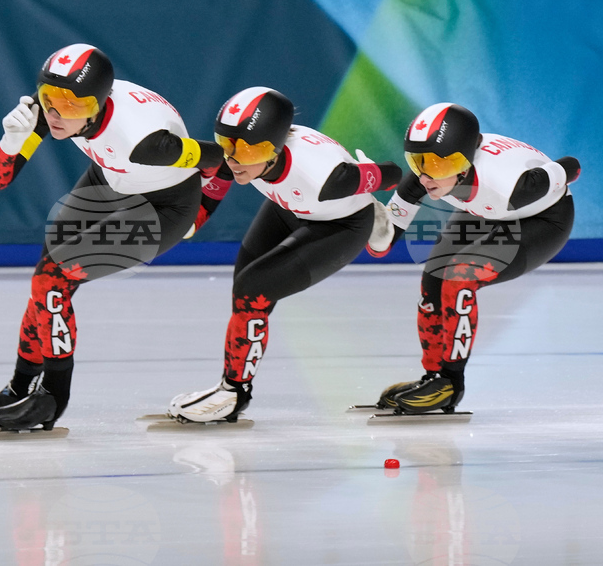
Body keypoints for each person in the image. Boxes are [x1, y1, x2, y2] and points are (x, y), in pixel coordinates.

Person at [0, 43, 227, 431]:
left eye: (71, 107)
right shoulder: (53, 107)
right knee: (46, 281)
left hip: (163, 205)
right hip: (111, 175)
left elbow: (221, 160)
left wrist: (199, 217)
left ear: (99, 104)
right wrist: (11, 143)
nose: (56, 115)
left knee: (52, 279)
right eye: (50, 100)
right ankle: (18, 389)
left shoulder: (145, 140)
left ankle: (52, 396)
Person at [168, 87, 403, 423]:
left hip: (341, 224)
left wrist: (366, 178)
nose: (233, 160)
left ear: (275, 148)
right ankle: (234, 389)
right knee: (245, 290)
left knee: (253, 289)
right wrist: (184, 225)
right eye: (226, 145)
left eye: (247, 151)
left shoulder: (324, 174)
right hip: (288, 206)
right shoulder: (238, 154)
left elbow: (392, 173)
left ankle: (233, 392)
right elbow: (208, 199)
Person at [370, 103, 580, 413]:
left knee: (458, 278)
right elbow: (382, 244)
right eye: (417, 162)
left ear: (464, 161)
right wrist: (374, 224)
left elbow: (571, 166)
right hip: (483, 209)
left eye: (437, 166)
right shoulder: (429, 173)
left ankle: (451, 384)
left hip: (542, 219)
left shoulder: (511, 184)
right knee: (434, 277)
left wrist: (556, 169)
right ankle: (433, 377)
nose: (426, 177)